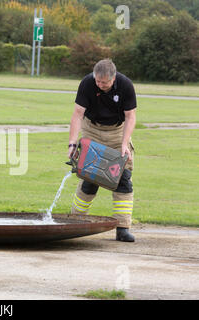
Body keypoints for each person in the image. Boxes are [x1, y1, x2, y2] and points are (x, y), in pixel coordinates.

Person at [68, 59, 137, 242]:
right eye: (98, 81)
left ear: (113, 78)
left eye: (104, 82)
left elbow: (130, 117)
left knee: (123, 178)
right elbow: (77, 114)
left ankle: (122, 228)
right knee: (90, 178)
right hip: (92, 129)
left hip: (117, 132)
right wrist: (72, 143)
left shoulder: (126, 85)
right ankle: (76, 222)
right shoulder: (87, 83)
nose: (100, 85)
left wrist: (124, 144)